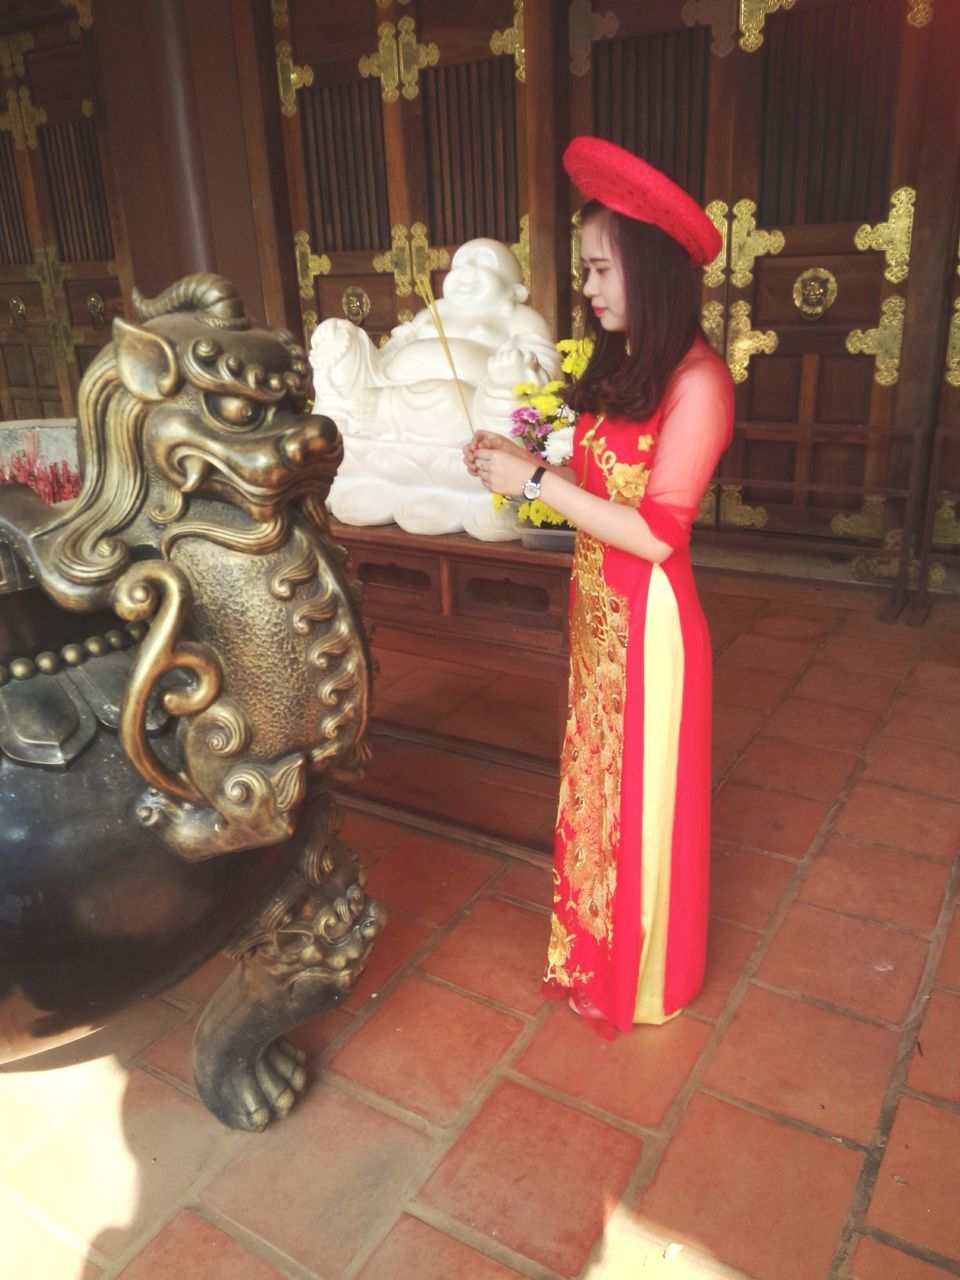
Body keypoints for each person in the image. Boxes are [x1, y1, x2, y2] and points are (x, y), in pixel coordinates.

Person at [465, 137, 734, 1033]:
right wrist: (515, 456)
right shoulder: (621, 368)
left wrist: (537, 483)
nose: (587, 288)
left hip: (649, 622)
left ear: (650, 272)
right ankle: (593, 948)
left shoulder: (699, 386)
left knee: (640, 798)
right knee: (594, 786)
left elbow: (658, 536)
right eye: (584, 269)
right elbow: (576, 485)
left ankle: (648, 972)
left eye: (599, 269)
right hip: (596, 611)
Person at [309, 238, 560, 539]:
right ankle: (352, 439)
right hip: (391, 399)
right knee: (355, 382)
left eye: (483, 265)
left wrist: (517, 370)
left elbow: (547, 370)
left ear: (514, 289)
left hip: (463, 415)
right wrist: (355, 354)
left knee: (453, 400)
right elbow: (393, 348)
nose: (467, 272)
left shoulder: (519, 316)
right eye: (461, 265)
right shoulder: (435, 310)